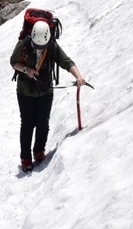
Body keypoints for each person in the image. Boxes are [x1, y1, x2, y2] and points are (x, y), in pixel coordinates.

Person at [10, 19, 86, 172]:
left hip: (45, 91)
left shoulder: (51, 46)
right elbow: (13, 62)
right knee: (27, 124)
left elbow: (66, 62)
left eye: (41, 46)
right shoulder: (24, 44)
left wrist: (78, 76)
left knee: (42, 122)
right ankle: (25, 158)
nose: (39, 48)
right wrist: (27, 70)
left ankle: (39, 151)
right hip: (25, 91)